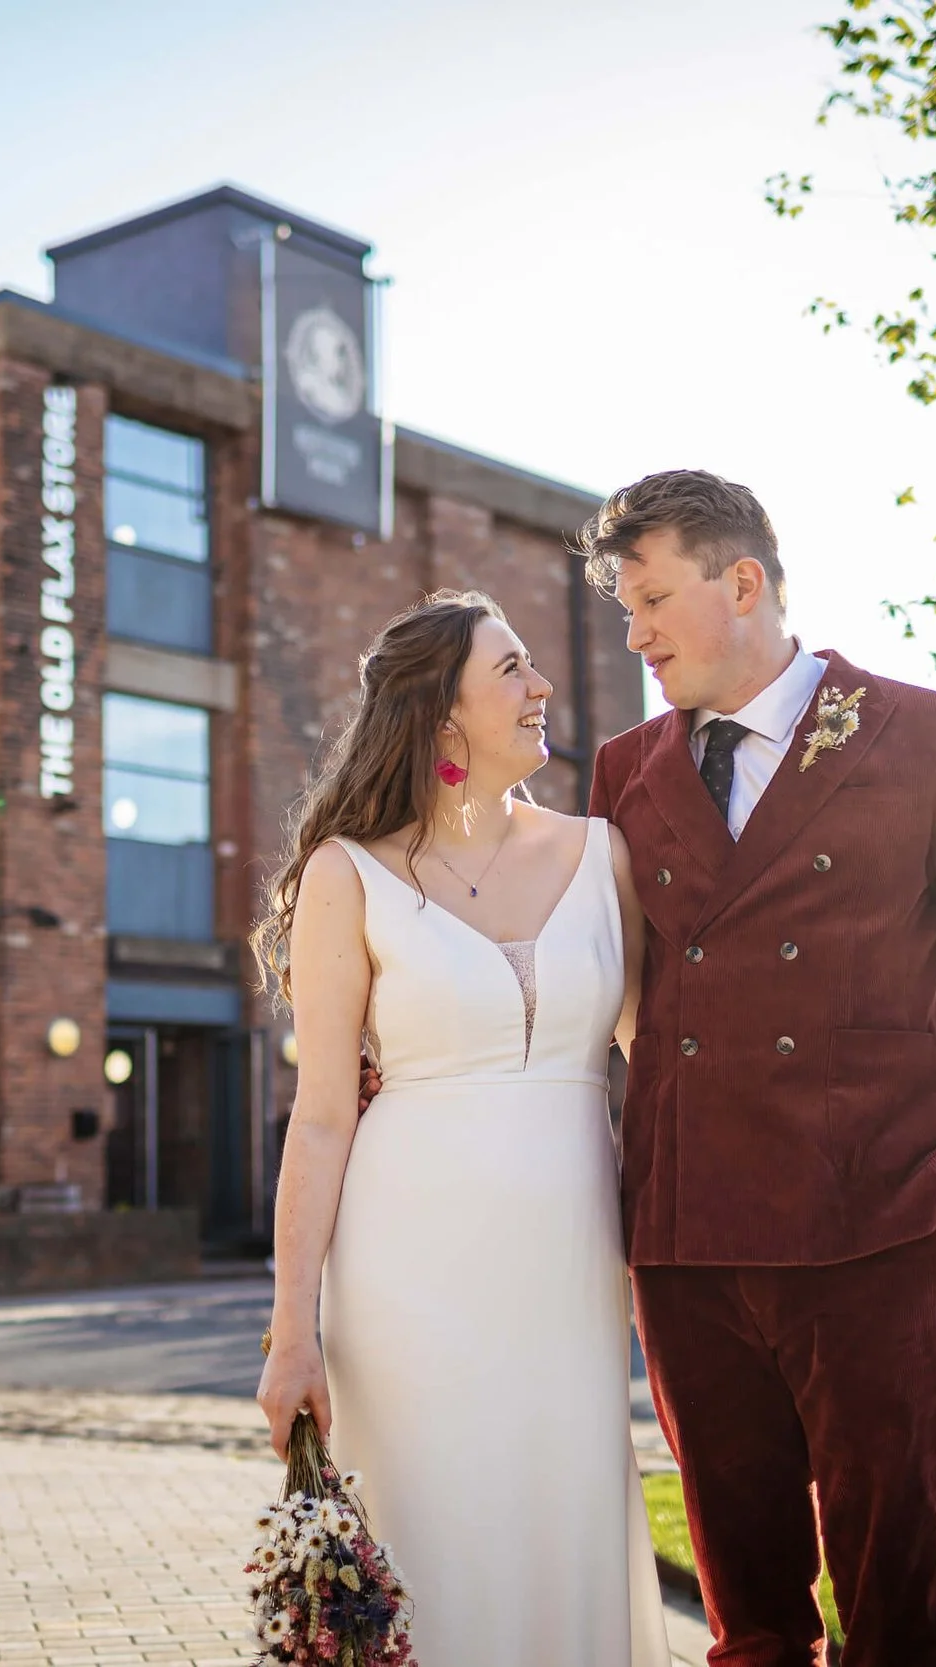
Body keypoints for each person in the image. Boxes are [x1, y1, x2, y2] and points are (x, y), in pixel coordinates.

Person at [576, 469, 936, 1665]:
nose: (632, 633)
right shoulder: (622, 769)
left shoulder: (926, 735)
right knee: (749, 1613)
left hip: (871, 1229)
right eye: (623, 609)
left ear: (741, 581)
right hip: (687, 1239)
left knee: (894, 1605)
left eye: (650, 599)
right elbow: (610, 1004)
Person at [252, 590, 672, 1667]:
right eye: (513, 669)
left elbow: (656, 1054)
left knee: (560, 1520)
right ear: (443, 715)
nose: (541, 690)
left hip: (570, 1267)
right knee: (434, 1543)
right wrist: (291, 1328)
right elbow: (321, 1114)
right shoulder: (347, 873)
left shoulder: (600, 851)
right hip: (404, 1275)